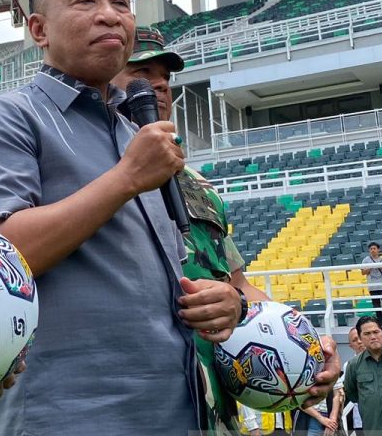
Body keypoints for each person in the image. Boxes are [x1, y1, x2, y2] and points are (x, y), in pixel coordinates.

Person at [0, 0, 337, 435]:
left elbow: (192, 279)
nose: (109, 13)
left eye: (121, 2)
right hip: (74, 416)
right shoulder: (12, 116)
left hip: (181, 413)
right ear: (39, 29)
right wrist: (127, 177)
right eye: (85, 0)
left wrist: (235, 306)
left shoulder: (136, 135)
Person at [112, 26, 281, 428]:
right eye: (142, 72)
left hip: (213, 404)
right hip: (138, 401)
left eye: (166, 77)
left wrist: (302, 335)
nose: (159, 85)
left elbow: (238, 284)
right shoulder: (86, 176)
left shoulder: (198, 184)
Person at [360, 242, 382, 324]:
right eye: (371, 249)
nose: (372, 250)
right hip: (373, 287)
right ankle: (380, 323)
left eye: (374, 248)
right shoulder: (366, 260)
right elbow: (363, 272)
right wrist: (370, 267)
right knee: (377, 306)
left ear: (378, 250)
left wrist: (381, 266)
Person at [344, 326, 365, 436]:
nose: (359, 342)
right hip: (361, 420)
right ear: (350, 346)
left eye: (360, 337)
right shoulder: (348, 366)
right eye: (355, 340)